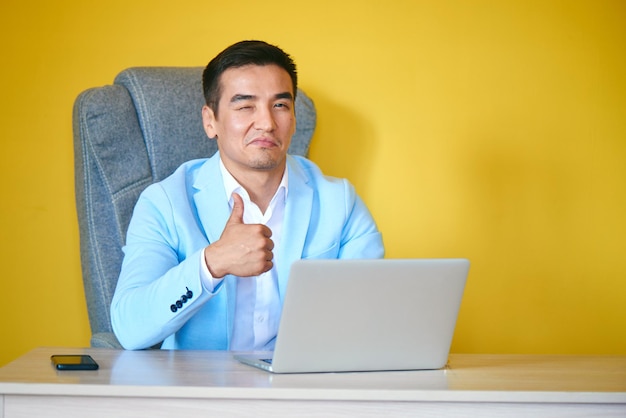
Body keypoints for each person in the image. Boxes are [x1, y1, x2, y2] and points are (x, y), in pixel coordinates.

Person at [110, 40, 384, 351]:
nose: (267, 123)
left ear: (294, 118)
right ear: (210, 121)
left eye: (280, 105)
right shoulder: (165, 203)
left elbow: (370, 319)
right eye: (245, 106)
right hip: (200, 391)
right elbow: (129, 329)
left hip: (304, 387)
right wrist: (212, 263)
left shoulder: (340, 202)